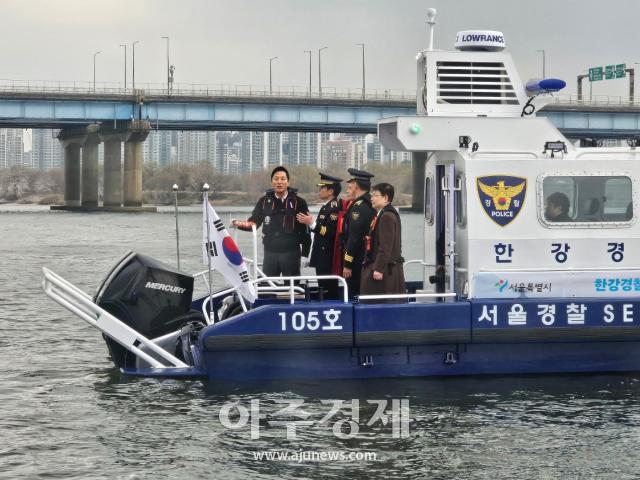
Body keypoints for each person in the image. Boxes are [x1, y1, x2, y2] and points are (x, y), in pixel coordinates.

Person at [232, 166, 311, 277]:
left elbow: (306, 230)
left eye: (283, 179)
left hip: (291, 253)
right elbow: (254, 223)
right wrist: (237, 224)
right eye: (276, 179)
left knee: (292, 288)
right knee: (267, 286)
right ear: (271, 182)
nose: (279, 182)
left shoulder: (299, 202)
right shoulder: (264, 201)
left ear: (288, 182)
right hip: (270, 252)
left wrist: (305, 254)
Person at [297, 172, 343, 299]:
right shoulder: (325, 207)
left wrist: (311, 223)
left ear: (330, 191)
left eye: (322, 187)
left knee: (328, 287)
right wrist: (310, 224)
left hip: (327, 255)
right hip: (320, 254)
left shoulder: (334, 208)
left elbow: (330, 232)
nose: (319, 190)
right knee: (322, 285)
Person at [360, 183, 405, 302]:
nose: (371, 198)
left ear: (385, 198)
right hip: (386, 268)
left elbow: (385, 246)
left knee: (378, 304)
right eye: (371, 195)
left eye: (375, 195)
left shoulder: (386, 217)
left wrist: (378, 268)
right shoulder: (384, 214)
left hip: (385, 272)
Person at [341, 168, 375, 298]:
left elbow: (354, 238)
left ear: (355, 184)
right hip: (366, 258)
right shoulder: (370, 203)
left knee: (354, 294)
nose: (348, 186)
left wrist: (347, 264)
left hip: (357, 259)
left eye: (350, 182)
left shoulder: (358, 207)